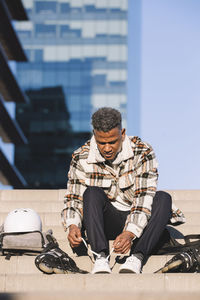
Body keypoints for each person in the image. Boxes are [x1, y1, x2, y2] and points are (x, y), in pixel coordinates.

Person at [61, 107, 185, 274]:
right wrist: (72, 225)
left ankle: (137, 257)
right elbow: (74, 198)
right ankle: (100, 257)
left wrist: (130, 233)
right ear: (94, 135)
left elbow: (144, 198)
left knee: (163, 198)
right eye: (101, 142)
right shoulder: (81, 156)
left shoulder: (142, 151)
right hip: (106, 221)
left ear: (123, 133)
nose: (107, 148)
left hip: (140, 222)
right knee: (91, 193)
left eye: (112, 141)